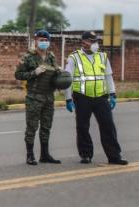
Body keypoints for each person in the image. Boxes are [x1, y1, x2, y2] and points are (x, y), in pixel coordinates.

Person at [64, 31, 128, 165]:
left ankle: (114, 156)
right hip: (82, 97)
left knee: (108, 126)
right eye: (91, 41)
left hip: (101, 97)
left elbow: (108, 76)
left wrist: (113, 94)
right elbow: (67, 79)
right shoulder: (74, 58)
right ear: (84, 42)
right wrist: (68, 99)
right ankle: (86, 154)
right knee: (82, 126)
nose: (94, 44)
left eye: (95, 41)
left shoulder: (102, 56)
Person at [14, 30, 61, 165]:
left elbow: (55, 72)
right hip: (34, 97)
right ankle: (30, 155)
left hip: (49, 96)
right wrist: (34, 73)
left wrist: (59, 72)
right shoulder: (28, 57)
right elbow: (18, 75)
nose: (43, 42)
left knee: (46, 126)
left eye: (46, 40)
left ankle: (45, 155)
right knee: (32, 127)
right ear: (35, 41)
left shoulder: (51, 57)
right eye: (41, 40)